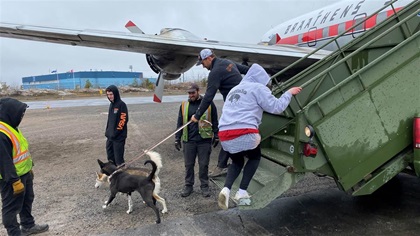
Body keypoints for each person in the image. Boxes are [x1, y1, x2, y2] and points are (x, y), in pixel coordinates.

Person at [216, 64, 302, 210]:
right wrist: (289, 93)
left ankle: (226, 190)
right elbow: (277, 107)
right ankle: (242, 192)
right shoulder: (258, 88)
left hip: (224, 133)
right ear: (261, 79)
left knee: (237, 161)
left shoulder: (234, 89)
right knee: (254, 157)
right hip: (244, 131)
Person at [192, 48, 249, 178]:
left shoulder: (215, 72)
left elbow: (208, 97)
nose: (203, 66)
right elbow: (248, 70)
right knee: (235, 132)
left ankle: (222, 166)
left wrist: (197, 115)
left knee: (225, 132)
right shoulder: (228, 62)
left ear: (208, 58)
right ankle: (234, 160)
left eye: (202, 63)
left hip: (236, 106)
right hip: (243, 102)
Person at [0, 98, 49, 236]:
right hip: (11, 178)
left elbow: (21, 150)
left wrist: (29, 168)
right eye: (20, 114)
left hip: (24, 173)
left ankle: (28, 225)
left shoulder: (11, 126)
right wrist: (14, 181)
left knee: (27, 200)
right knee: (11, 207)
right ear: (10, 112)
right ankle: (14, 233)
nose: (21, 117)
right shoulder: (2, 133)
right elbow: (4, 162)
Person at [175, 83, 219, 198]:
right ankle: (188, 186)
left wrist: (216, 135)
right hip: (188, 140)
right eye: (189, 93)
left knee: (203, 165)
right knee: (188, 165)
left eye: (193, 93)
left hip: (204, 140)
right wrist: (177, 138)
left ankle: (204, 186)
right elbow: (180, 122)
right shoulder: (184, 105)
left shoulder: (208, 103)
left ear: (198, 91)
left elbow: (214, 119)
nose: (191, 95)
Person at [105, 85, 129, 166]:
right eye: (108, 95)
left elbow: (123, 120)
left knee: (118, 159)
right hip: (110, 137)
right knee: (110, 157)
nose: (109, 96)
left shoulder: (121, 105)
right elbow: (109, 120)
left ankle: (121, 175)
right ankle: (113, 174)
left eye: (111, 94)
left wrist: (116, 133)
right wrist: (107, 132)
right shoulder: (111, 105)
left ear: (115, 94)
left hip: (118, 137)